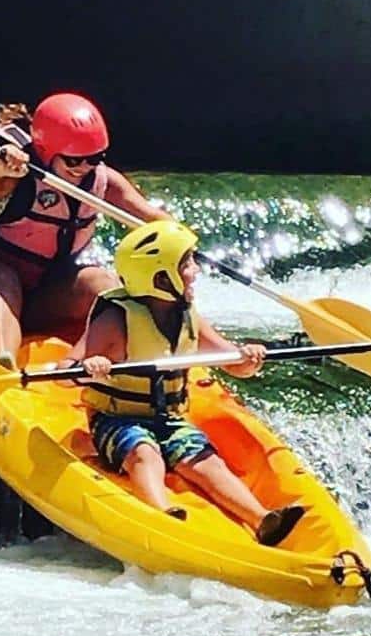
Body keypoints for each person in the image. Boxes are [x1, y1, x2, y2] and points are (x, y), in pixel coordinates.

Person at [77, 219, 306, 547]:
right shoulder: (115, 317)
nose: (195, 271)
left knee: (205, 460)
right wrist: (95, 364)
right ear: (159, 277)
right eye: (185, 263)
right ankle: (160, 511)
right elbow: (82, 367)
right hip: (116, 420)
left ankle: (261, 519)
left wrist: (249, 359)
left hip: (170, 419)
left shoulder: (187, 315)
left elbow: (233, 362)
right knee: (144, 452)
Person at [0, 92, 171, 369]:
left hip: (43, 292)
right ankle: (3, 365)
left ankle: (116, 363)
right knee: (1, 280)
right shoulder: (12, 172)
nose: (84, 167)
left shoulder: (102, 180)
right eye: (73, 161)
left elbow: (152, 217)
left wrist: (179, 240)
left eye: (95, 157)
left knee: (101, 283)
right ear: (47, 152)